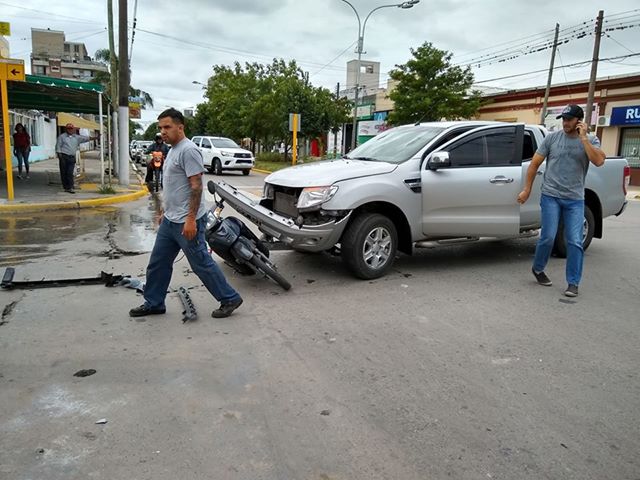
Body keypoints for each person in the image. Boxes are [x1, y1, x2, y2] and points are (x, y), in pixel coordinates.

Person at [129, 108, 243, 319]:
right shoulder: (172, 149)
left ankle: (229, 298)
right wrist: (165, 211)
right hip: (171, 220)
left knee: (201, 263)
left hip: (187, 222)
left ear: (180, 127)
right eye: (160, 128)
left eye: (167, 127)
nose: (163, 132)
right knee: (158, 263)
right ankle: (154, 302)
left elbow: (196, 187)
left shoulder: (188, 150)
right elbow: (173, 186)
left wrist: (190, 219)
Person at [517, 104, 606, 297]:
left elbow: (598, 161)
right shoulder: (552, 139)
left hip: (575, 199)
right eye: (563, 119)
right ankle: (538, 268)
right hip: (551, 196)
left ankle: (573, 282)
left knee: (574, 241)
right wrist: (526, 189)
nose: (565, 123)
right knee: (548, 236)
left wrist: (583, 138)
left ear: (579, 121)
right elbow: (534, 164)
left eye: (569, 119)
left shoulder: (591, 140)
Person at [55, 123, 95, 194]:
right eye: (68, 129)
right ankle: (66, 187)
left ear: (73, 129)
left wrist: (96, 138)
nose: (70, 130)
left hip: (72, 157)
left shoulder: (76, 137)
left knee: (70, 172)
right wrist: (59, 155)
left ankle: (70, 186)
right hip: (64, 156)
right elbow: (58, 146)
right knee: (64, 172)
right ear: (66, 129)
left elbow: (86, 139)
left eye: (71, 129)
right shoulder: (62, 137)